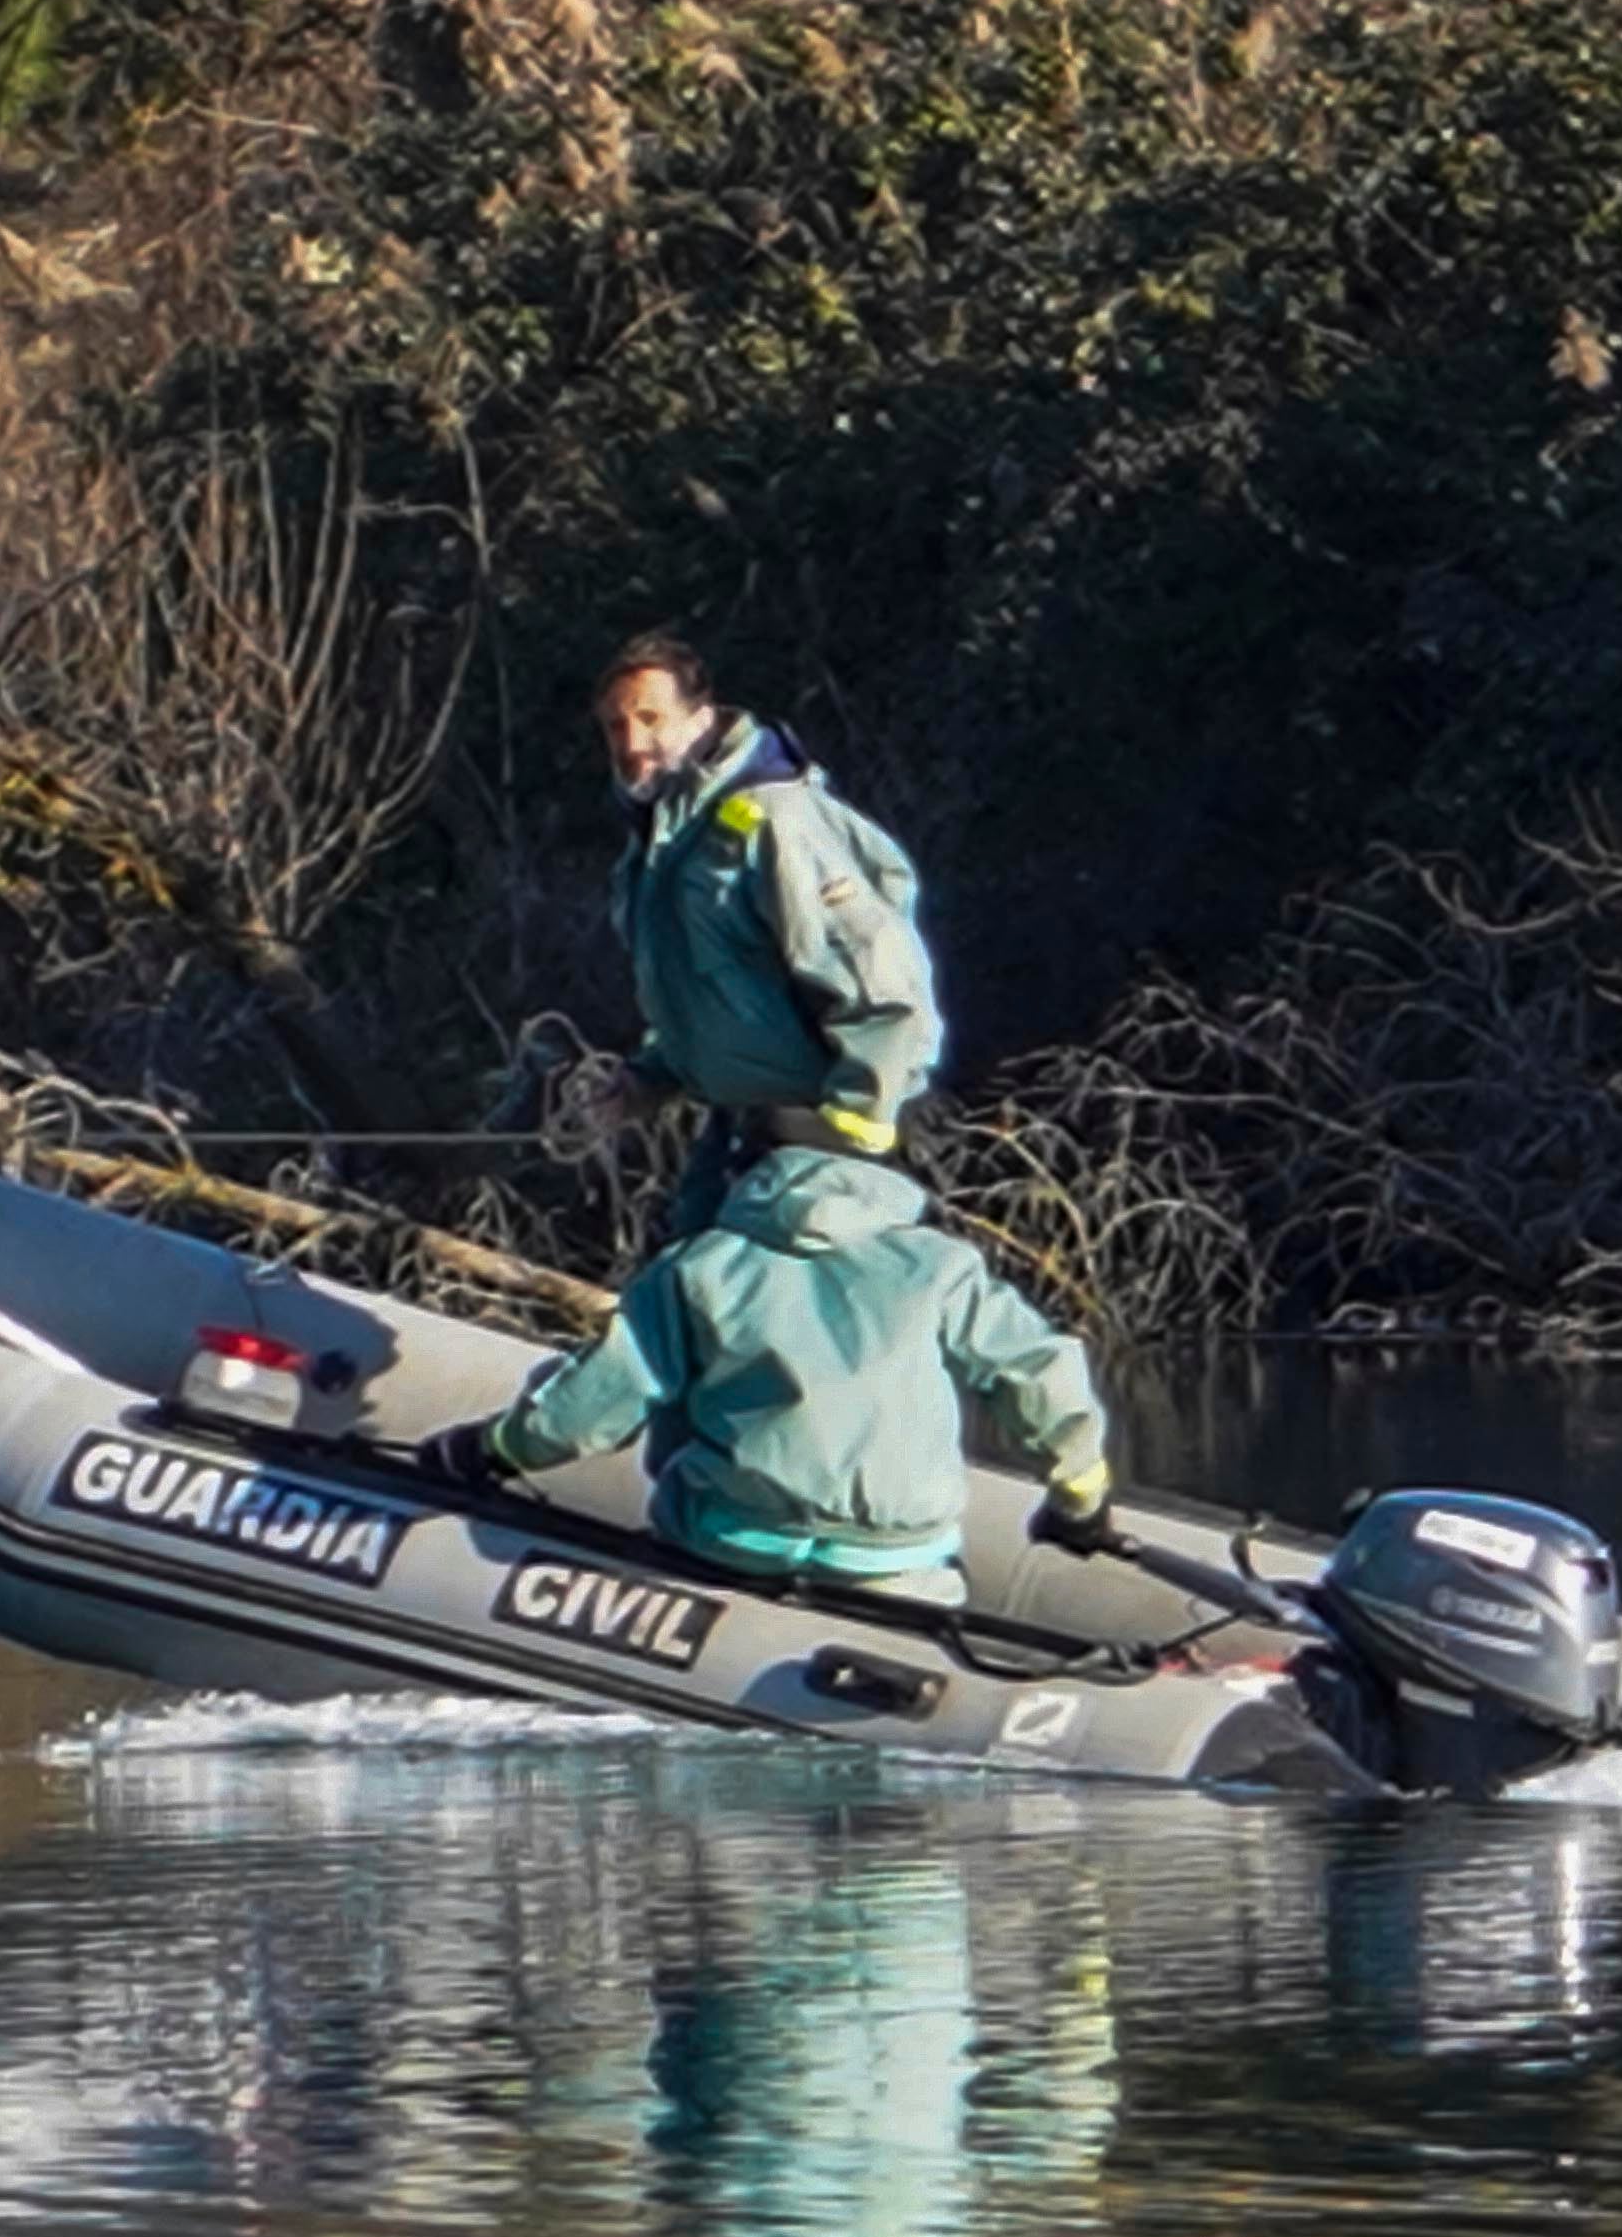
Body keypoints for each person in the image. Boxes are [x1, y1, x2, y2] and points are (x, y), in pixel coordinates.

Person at [414, 1140, 1111, 1606]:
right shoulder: (937, 1265)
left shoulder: (698, 1265)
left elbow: (596, 1403)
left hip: (734, 1545)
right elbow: (1040, 1370)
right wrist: (1079, 1498)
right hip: (899, 1562)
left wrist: (494, 1449)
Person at [587, 633, 943, 1235]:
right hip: (742, 1130)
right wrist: (649, 1078)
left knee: (765, 1312)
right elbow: (714, 991)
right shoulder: (664, 845)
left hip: (825, 1144)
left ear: (701, 720)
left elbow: (880, 976)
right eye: (615, 727)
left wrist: (855, 1123)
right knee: (683, 1294)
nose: (631, 743)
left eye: (650, 718)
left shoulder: (775, 819)